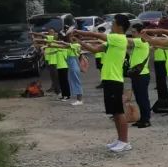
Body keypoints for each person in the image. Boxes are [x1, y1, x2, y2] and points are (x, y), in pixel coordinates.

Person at [74, 15, 135, 153]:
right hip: (108, 79)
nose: (111, 25)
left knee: (119, 112)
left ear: (119, 26)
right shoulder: (113, 41)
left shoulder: (119, 38)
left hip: (115, 79)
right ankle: (120, 139)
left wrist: (80, 32)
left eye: (113, 23)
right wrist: (79, 41)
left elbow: (95, 34)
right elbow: (94, 49)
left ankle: (125, 142)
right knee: (114, 112)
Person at [127, 22, 152, 128]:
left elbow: (127, 41)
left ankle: (146, 120)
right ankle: (142, 118)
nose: (132, 34)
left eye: (134, 32)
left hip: (142, 75)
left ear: (140, 33)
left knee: (143, 98)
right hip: (137, 74)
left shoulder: (141, 41)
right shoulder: (137, 43)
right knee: (139, 98)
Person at [151, 16, 168, 114]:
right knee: (160, 83)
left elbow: (164, 45)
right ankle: (163, 100)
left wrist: (155, 43)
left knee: (165, 83)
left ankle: (166, 101)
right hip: (159, 60)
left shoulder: (166, 36)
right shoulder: (159, 35)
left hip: (164, 60)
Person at [63, 32, 84, 106]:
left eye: (71, 37)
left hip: (74, 66)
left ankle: (79, 100)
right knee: (74, 82)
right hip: (72, 66)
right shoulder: (71, 45)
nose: (70, 38)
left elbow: (64, 44)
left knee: (76, 82)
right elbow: (61, 45)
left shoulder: (76, 45)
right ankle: (78, 99)